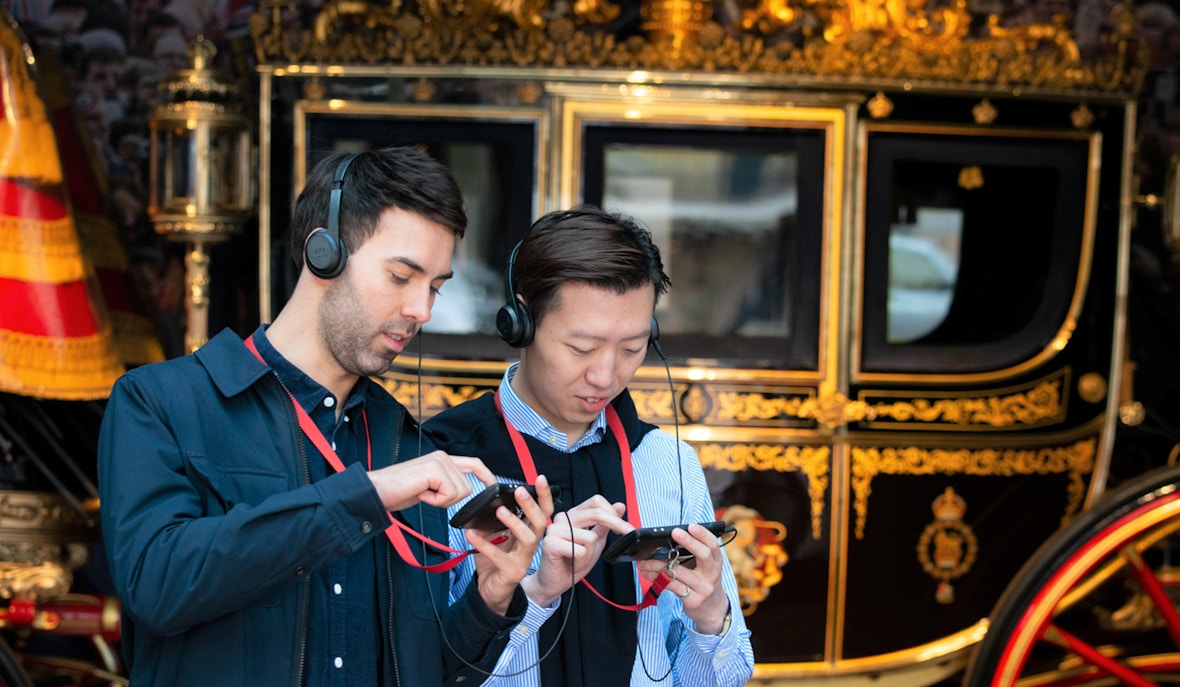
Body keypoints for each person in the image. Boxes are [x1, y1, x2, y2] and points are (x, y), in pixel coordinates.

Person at [98, 146, 553, 687]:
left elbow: (426, 669)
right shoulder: (161, 402)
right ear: (323, 253)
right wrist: (367, 495)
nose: (422, 311)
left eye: (434, 286)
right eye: (401, 276)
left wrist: (492, 593)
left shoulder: (403, 440)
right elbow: (157, 586)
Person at [425, 206, 755, 686]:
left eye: (632, 348)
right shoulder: (446, 463)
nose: (606, 376)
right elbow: (422, 671)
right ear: (520, 321)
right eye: (581, 348)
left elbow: (728, 676)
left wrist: (710, 618)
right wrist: (534, 594)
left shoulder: (667, 462)